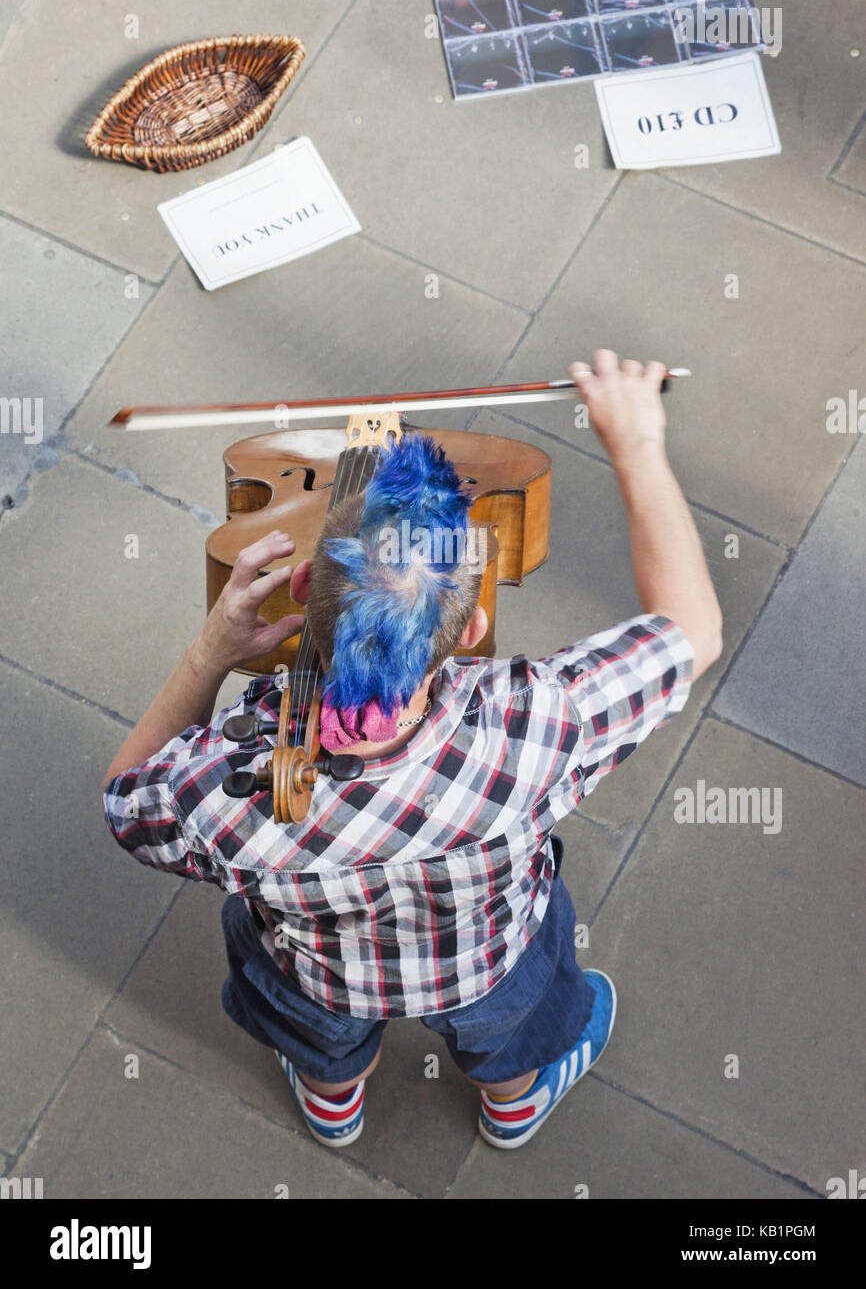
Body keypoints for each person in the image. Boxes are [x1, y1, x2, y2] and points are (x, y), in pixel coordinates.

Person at [103, 349, 722, 1151]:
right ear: (469, 632)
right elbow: (694, 630)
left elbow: (125, 798)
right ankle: (513, 1104)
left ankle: (333, 1101)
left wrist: (210, 653)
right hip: (490, 962)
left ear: (302, 592)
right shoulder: (535, 723)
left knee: (320, 1034)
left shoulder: (224, 791)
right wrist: (636, 443)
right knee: (512, 1033)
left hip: (318, 977)